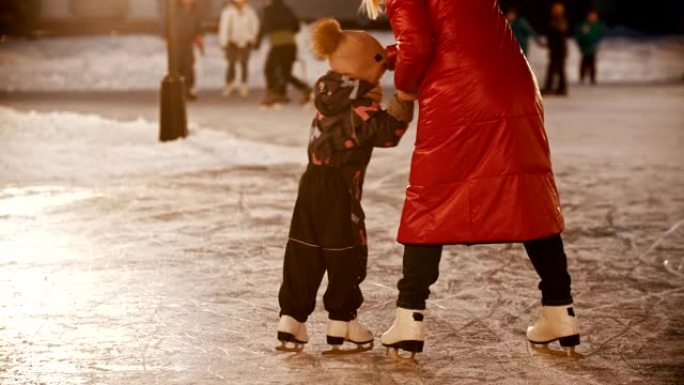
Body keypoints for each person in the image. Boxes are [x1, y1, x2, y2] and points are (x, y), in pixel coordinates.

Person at [362, 0, 580, 357]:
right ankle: (560, 309)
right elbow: (459, 29)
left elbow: (417, 44)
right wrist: (392, 55)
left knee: (430, 201)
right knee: (527, 196)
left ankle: (409, 317)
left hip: (460, 93)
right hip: (513, 82)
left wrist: (403, 90)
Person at [276, 18, 415, 354]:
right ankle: (342, 321)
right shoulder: (358, 106)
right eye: (379, 61)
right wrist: (405, 99)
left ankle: (291, 319)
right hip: (339, 188)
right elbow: (387, 132)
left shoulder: (329, 94)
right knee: (346, 251)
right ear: (362, 67)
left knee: (304, 249)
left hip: (310, 184)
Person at [257, 0, 312, 107]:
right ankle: (304, 89)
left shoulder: (268, 10)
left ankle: (273, 94)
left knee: (269, 69)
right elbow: (296, 27)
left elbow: (265, 27)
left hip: (278, 44)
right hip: (291, 45)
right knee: (286, 73)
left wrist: (256, 43)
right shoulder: (287, 9)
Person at [219, 0, 260, 98]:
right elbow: (224, 27)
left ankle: (244, 84)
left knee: (244, 63)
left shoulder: (250, 11)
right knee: (231, 63)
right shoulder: (228, 11)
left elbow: (255, 25)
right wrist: (224, 42)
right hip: (232, 42)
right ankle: (230, 83)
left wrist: (252, 37)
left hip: (245, 41)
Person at [176, 0, 204, 101]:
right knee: (178, 66)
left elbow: (197, 25)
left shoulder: (194, 11)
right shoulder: (176, 10)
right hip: (177, 42)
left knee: (188, 66)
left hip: (188, 42)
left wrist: (198, 36)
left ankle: (187, 89)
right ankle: (178, 91)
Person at [542, 2, 569, 96]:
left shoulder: (560, 21)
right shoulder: (554, 21)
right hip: (555, 48)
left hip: (559, 48)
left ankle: (560, 88)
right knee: (553, 68)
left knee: (558, 68)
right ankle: (555, 87)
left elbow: (559, 35)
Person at [575, 10, 607, 85]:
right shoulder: (584, 25)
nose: (592, 17)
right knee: (584, 63)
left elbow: (600, 34)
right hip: (585, 47)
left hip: (593, 48)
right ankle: (582, 77)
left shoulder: (598, 25)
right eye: (591, 16)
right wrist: (582, 42)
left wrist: (596, 41)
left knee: (592, 63)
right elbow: (579, 35)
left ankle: (593, 78)